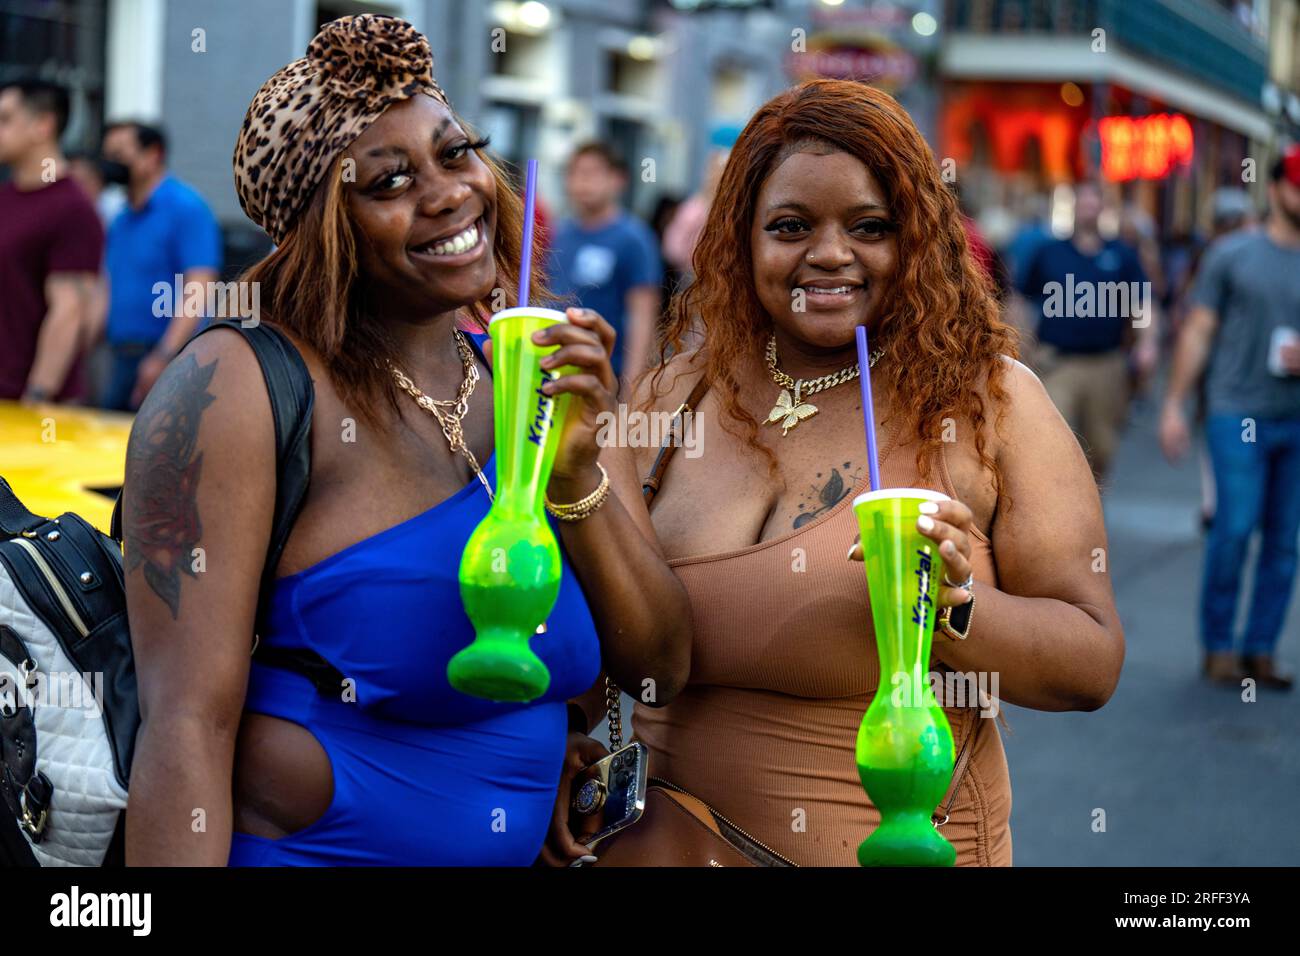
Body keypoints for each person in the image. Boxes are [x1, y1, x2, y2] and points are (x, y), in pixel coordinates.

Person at [121, 14, 691, 866]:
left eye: (457, 152)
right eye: (389, 182)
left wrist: (573, 474)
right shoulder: (240, 389)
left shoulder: (533, 376)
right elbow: (185, 728)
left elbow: (658, 668)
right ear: (325, 227)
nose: (450, 193)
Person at [552, 79, 1125, 867]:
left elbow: (1089, 664)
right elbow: (605, 631)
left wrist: (951, 604)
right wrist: (565, 744)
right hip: (656, 842)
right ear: (741, 239)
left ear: (916, 239)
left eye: (869, 227)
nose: (828, 254)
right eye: (790, 226)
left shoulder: (991, 404)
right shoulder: (668, 396)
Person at [1160, 147, 1300, 691]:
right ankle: (1219, 646)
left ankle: (1260, 649)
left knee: (1285, 542)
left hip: (1294, 419)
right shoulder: (1232, 254)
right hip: (1236, 412)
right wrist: (1174, 403)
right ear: (1274, 189)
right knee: (1236, 528)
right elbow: (1198, 330)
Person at [1016, 181, 1157, 483]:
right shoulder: (1049, 252)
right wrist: (1019, 347)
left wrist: (1147, 342)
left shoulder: (1122, 255)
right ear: (1075, 208)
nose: (1089, 208)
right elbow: (1020, 302)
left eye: (1095, 202)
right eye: (1084, 202)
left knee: (1101, 447)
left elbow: (1142, 303)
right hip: (1058, 363)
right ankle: (1057, 509)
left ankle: (1090, 508)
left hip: (1107, 364)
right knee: (1053, 440)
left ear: (1103, 208)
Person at [99, 121, 223, 410]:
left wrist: (164, 356)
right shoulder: (122, 219)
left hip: (168, 360)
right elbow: (105, 288)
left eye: (119, 155)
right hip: (120, 357)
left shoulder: (186, 208)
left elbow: (200, 286)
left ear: (153, 154)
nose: (110, 165)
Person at [0, 77, 104, 403]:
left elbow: (69, 311)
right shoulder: (6, 198)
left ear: (43, 125)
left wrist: (37, 396)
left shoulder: (72, 207)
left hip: (28, 405)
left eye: (5, 119)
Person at [547, 142, 663, 386]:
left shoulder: (634, 238)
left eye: (591, 173)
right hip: (555, 370)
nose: (582, 182)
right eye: (575, 173)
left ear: (618, 180)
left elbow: (643, 319)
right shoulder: (560, 233)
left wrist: (632, 392)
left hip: (605, 377)